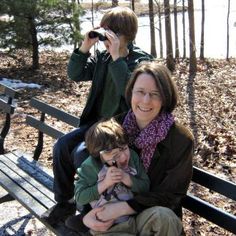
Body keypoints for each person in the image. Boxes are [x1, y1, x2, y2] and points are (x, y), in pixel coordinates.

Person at [41, 6, 153, 225]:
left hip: (118, 128)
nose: (105, 40)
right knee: (62, 146)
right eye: (104, 33)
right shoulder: (102, 58)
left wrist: (118, 58)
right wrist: (85, 46)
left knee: (83, 154)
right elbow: (75, 74)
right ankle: (65, 202)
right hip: (95, 123)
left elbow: (130, 94)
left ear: (125, 35)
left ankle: (87, 211)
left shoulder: (141, 61)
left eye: (110, 33)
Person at [76, 61, 194, 235]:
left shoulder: (180, 139)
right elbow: (89, 172)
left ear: (165, 98)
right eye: (140, 92)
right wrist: (86, 216)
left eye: (155, 94)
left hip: (152, 217)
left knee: (164, 216)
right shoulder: (115, 126)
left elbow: (170, 195)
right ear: (131, 93)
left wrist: (124, 208)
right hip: (112, 222)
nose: (146, 100)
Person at [73, 118, 149, 235]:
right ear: (100, 155)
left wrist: (127, 178)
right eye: (115, 156)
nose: (123, 157)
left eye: (124, 148)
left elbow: (145, 186)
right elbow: (80, 197)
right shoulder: (90, 167)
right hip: (107, 227)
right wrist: (104, 184)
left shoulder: (132, 158)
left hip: (134, 219)